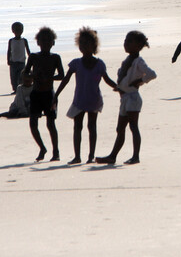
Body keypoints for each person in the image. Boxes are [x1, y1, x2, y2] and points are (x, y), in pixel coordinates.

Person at [53, 27, 118, 165]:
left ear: (94, 45)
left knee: (92, 127)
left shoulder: (99, 64)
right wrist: (56, 94)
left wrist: (119, 88)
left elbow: (107, 79)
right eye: (81, 43)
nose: (83, 46)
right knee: (77, 127)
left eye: (87, 43)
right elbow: (66, 79)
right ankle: (77, 156)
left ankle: (91, 155)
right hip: (79, 100)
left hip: (94, 100)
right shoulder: (76, 63)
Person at [97, 31, 157, 165]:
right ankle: (112, 156)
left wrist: (140, 81)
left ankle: (135, 156)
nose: (126, 43)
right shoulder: (127, 60)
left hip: (133, 98)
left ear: (138, 45)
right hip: (125, 98)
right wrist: (120, 88)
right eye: (125, 40)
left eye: (129, 41)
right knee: (120, 128)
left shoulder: (138, 61)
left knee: (133, 127)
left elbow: (152, 74)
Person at [23, 27, 65, 162]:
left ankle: (56, 151)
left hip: (49, 94)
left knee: (50, 124)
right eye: (43, 41)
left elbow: (62, 75)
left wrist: (50, 78)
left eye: (49, 41)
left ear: (53, 43)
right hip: (36, 94)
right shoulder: (33, 57)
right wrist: (32, 76)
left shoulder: (55, 57)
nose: (46, 43)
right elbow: (24, 74)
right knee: (33, 124)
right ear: (38, 42)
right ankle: (42, 148)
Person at [6, 21, 31, 93]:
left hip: (22, 61)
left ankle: (20, 89)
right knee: (13, 77)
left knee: (21, 77)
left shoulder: (24, 40)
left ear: (22, 30)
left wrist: (31, 59)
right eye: (16, 30)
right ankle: (15, 89)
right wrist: (8, 60)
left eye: (20, 30)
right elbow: (9, 51)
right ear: (13, 31)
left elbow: (28, 50)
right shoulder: (11, 41)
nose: (18, 31)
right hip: (13, 62)